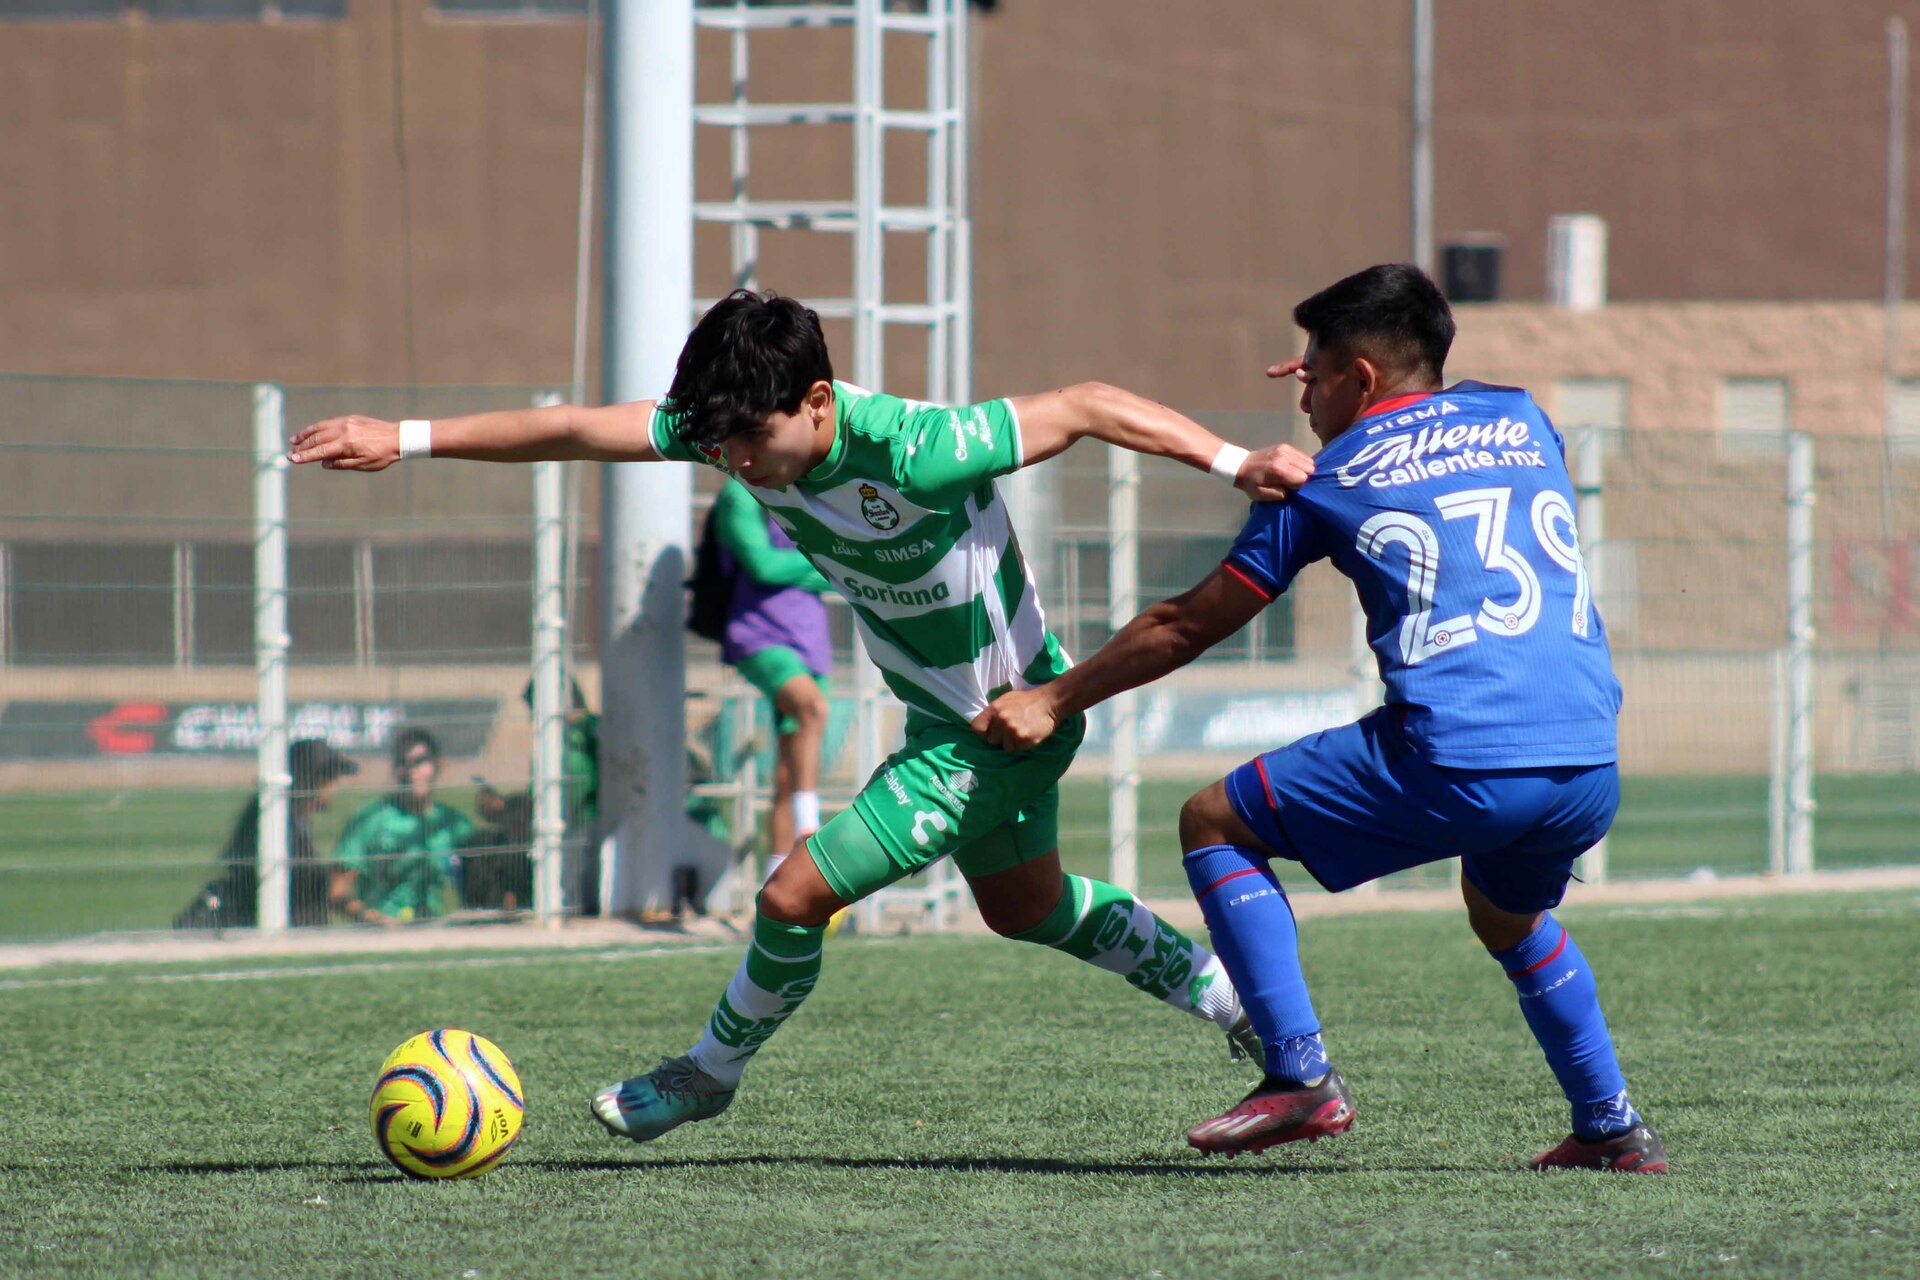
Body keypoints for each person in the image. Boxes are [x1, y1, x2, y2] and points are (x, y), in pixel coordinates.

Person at [288, 289, 1315, 1145]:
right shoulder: (743, 427)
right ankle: (1235, 999)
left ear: (818, 400)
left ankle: (706, 1071)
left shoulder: (917, 448)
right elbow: (578, 430)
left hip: (1003, 722)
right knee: (1027, 906)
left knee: (790, 894)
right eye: (719, 445)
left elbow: (1089, 402)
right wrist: (407, 437)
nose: (734, 464)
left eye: (749, 442)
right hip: (948, 724)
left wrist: (1235, 464)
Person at [973, 264, 1667, 1173]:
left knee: (1212, 822)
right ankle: (1612, 1127)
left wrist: (1051, 698)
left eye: (1313, 370)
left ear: (1361, 375)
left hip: (1460, 756)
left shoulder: (1324, 480)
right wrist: (1345, 370)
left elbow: (1188, 623)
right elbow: (1447, 453)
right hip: (1586, 763)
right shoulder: (1522, 415)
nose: (1301, 390)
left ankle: (1298, 1075)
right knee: (1510, 919)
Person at [709, 475, 835, 879]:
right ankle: (810, 827)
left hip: (810, 638)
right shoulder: (738, 495)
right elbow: (761, 563)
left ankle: (773, 893)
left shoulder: (809, 489)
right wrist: (825, 564)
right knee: (812, 708)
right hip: (759, 635)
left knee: (787, 775)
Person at [172, 738, 360, 929]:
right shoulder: (275, 822)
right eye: (333, 779)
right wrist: (337, 880)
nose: (336, 787)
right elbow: (301, 883)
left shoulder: (287, 818)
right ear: (316, 780)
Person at [467, 677, 601, 912]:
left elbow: (564, 801)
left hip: (581, 836)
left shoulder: (575, 742)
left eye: (535, 709)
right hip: (577, 834)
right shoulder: (576, 736)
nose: (532, 720)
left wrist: (508, 810)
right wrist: (507, 807)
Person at [330, 726, 476, 926]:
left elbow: (479, 880)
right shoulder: (369, 820)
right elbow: (337, 891)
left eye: (419, 762)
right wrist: (373, 918)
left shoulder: (453, 823)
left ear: (438, 765)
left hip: (432, 930)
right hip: (379, 934)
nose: (411, 771)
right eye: (402, 763)